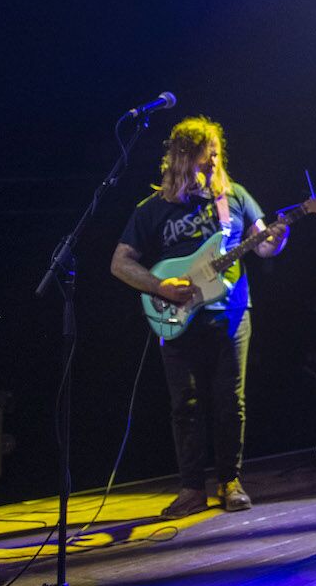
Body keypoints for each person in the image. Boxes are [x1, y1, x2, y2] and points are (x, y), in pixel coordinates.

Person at [111, 116, 287, 518]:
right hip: (176, 318)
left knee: (231, 402)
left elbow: (263, 246)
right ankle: (191, 488)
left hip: (231, 315)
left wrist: (279, 238)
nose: (213, 165)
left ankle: (230, 481)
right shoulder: (151, 210)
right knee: (184, 405)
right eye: (206, 158)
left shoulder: (236, 198)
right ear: (182, 158)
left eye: (216, 157)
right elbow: (120, 263)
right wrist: (159, 287)